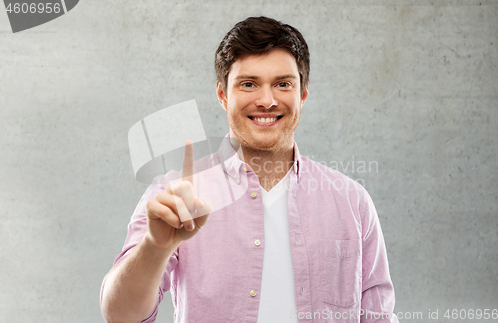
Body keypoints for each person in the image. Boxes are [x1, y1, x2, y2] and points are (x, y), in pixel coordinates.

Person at [101, 16, 399, 323]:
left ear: (303, 93)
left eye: (283, 84)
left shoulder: (352, 202)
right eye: (248, 84)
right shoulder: (175, 196)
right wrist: (155, 247)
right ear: (222, 94)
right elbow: (119, 315)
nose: (267, 101)